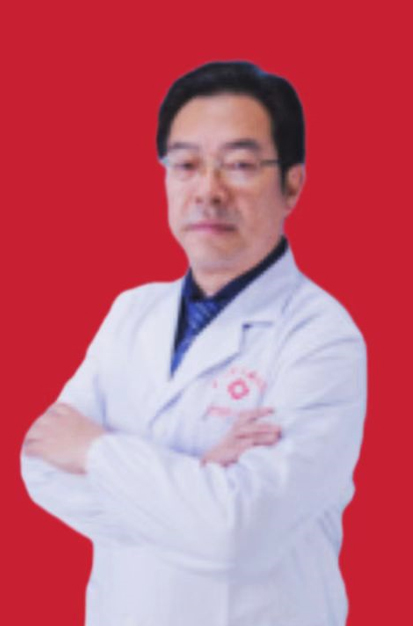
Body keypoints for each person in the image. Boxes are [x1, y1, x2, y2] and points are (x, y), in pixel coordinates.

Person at [21, 61, 367, 626]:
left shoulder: (320, 337)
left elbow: (237, 534)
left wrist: (96, 452)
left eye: (239, 165)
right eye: (185, 165)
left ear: (292, 185)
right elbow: (40, 463)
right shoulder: (132, 312)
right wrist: (197, 477)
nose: (208, 189)